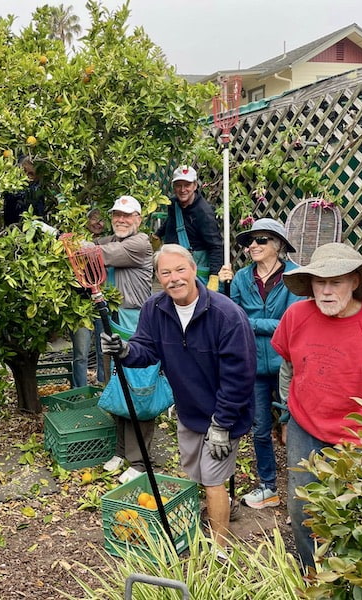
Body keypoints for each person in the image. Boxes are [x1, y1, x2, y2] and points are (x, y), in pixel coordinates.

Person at [101, 244, 255, 548]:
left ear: (194, 270)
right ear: (158, 276)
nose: (174, 278)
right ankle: (223, 507)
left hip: (222, 413)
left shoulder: (226, 315)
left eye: (180, 270)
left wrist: (222, 424)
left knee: (212, 480)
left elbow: (239, 376)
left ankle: (219, 548)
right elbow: (146, 348)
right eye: (165, 272)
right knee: (195, 473)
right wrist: (127, 350)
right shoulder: (155, 308)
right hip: (188, 409)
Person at [272, 242, 362, 568]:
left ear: (354, 282)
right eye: (319, 282)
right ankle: (313, 574)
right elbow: (288, 367)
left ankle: (352, 576)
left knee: (357, 511)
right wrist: (285, 414)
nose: (325, 290)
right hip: (304, 429)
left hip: (358, 439)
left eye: (335, 282)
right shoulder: (297, 315)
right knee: (301, 506)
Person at [217, 218, 304, 510]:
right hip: (251, 362)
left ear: (278, 245)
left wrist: (250, 323)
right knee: (260, 429)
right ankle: (268, 487)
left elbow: (289, 325)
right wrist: (223, 285)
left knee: (293, 426)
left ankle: (300, 487)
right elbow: (228, 315)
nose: (252, 246)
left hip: (287, 365)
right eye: (249, 242)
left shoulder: (295, 277)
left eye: (261, 240)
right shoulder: (241, 277)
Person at [91, 196, 155, 484]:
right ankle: (120, 452)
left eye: (127, 216)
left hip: (136, 325)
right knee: (115, 386)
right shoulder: (110, 240)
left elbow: (95, 254)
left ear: (138, 219)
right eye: (117, 214)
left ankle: (140, 461)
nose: (121, 220)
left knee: (139, 392)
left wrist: (67, 242)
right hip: (112, 322)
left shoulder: (140, 243)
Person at [156, 165, 224, 288]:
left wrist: (214, 276)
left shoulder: (203, 213)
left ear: (195, 186)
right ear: (173, 186)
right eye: (178, 185)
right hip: (173, 264)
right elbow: (172, 221)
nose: (182, 190)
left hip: (195, 271)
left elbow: (215, 246)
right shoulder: (174, 204)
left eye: (187, 185)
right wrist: (158, 235)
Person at [71, 208, 106, 387]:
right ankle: (79, 391)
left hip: (102, 301)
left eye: (102, 220)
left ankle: (102, 386)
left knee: (104, 350)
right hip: (81, 304)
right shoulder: (75, 244)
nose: (99, 224)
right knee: (81, 353)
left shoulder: (107, 244)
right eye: (94, 219)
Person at [3, 155, 47, 227]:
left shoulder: (38, 193)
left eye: (31, 174)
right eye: (24, 171)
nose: (26, 176)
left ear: (38, 177)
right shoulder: (9, 187)